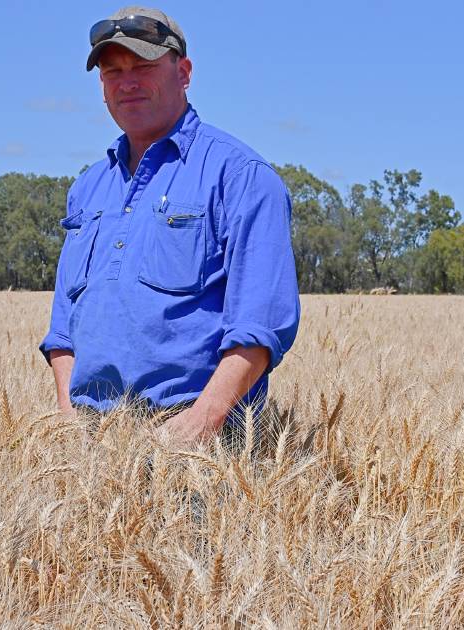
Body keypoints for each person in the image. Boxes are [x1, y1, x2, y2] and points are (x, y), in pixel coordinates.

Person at [39, 6, 299, 448]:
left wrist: (195, 427)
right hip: (88, 446)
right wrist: (69, 423)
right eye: (112, 71)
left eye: (143, 66)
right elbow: (63, 328)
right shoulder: (88, 188)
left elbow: (260, 328)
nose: (128, 82)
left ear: (184, 72)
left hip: (197, 448)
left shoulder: (240, 177)